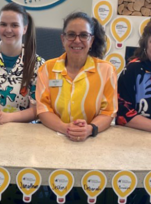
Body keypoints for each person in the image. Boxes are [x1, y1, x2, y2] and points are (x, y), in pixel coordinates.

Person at [36, 12, 117, 141]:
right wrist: (65, 128)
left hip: (91, 140)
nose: (77, 40)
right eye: (71, 35)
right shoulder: (46, 69)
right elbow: (43, 109)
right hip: (51, 138)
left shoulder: (107, 70)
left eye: (84, 35)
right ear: (63, 39)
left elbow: (108, 112)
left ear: (91, 41)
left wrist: (90, 129)